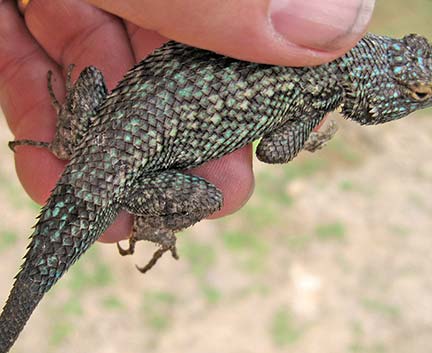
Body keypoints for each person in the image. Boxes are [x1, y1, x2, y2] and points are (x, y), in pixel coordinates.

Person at [0, 0, 375, 242]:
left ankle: (67, 143)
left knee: (93, 77)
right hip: (131, 169)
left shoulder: (318, 72)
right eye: (418, 93)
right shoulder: (320, 79)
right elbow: (274, 150)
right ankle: (150, 225)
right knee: (213, 194)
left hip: (122, 135)